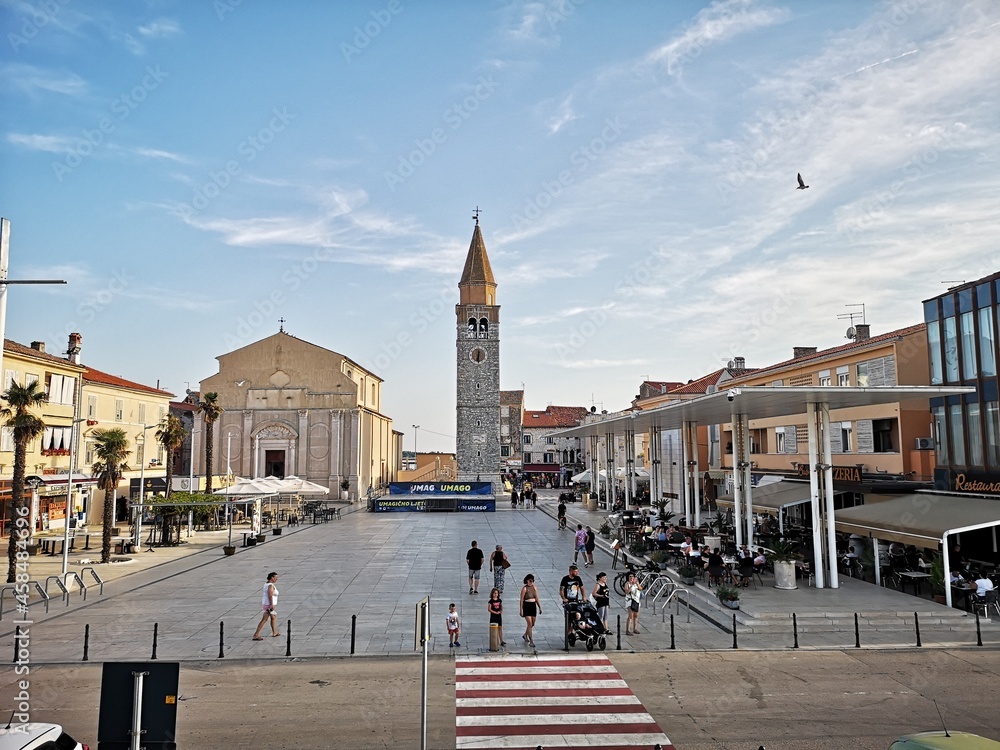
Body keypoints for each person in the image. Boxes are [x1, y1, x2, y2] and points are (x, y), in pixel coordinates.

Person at [252, 571, 280, 640]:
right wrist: (271, 605)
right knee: (264, 619)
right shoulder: (270, 585)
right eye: (275, 577)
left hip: (267, 604)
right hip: (268, 605)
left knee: (273, 617)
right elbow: (270, 595)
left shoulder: (267, 584)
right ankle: (256, 634)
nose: (276, 579)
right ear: (272, 577)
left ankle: (275, 632)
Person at [519, 573, 541, 646]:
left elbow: (536, 597)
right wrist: (521, 609)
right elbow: (521, 599)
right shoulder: (524, 589)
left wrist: (539, 606)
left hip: (533, 605)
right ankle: (531, 640)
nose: (531, 582)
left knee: (532, 624)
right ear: (527, 581)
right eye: (529, 581)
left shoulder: (535, 587)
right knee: (529, 623)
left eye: (532, 581)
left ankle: (525, 634)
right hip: (526, 605)